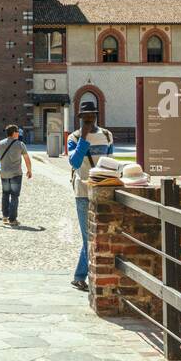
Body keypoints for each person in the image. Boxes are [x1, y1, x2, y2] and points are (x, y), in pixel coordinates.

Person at [67, 100, 114, 292]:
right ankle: (81, 277)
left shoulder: (107, 135)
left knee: (99, 234)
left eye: (91, 115)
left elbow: (111, 162)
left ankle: (80, 276)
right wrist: (84, 138)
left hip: (103, 190)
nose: (88, 119)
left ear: (96, 115)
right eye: (85, 116)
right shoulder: (75, 137)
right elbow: (75, 162)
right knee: (88, 236)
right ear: (79, 118)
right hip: (83, 192)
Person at [0, 125, 33, 227]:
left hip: (4, 174)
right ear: (13, 133)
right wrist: (29, 170)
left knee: (5, 194)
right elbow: (27, 158)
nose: (19, 133)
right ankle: (12, 219)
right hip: (16, 175)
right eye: (17, 131)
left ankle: (5, 216)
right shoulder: (20, 144)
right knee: (14, 196)